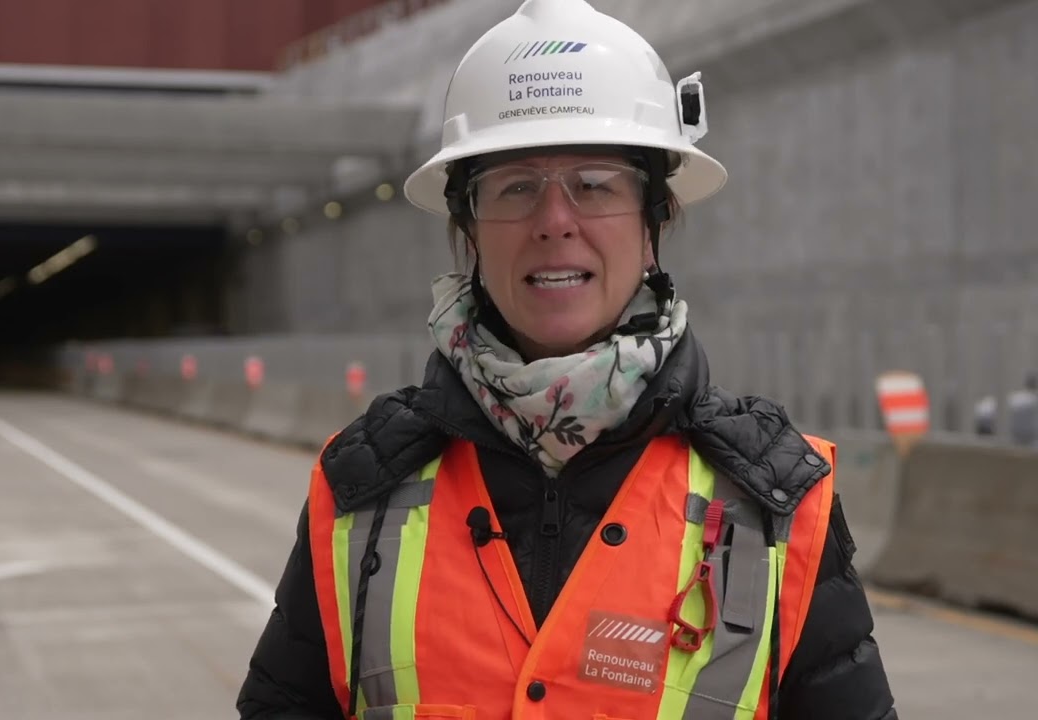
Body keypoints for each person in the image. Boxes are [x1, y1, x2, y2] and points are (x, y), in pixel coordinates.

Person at [237, 0, 898, 717]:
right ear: (468, 231)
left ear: (654, 223)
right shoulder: (360, 495)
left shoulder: (781, 505)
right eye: (516, 187)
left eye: (594, 184)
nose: (555, 223)